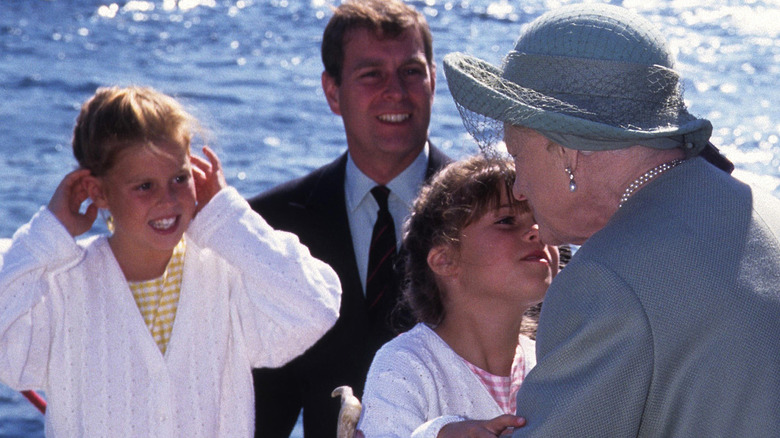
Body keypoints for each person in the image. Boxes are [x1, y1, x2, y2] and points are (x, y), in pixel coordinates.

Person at [442, 3, 780, 436]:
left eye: (517, 156)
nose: (519, 186)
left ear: (567, 151)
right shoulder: (760, 209)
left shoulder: (606, 280)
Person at [0, 86, 341, 437]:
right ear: (98, 192)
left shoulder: (226, 274)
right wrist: (49, 233)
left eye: (180, 178)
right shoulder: (62, 285)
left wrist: (227, 216)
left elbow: (317, 306)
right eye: (145, 186)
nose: (168, 199)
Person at [248, 0, 449, 436]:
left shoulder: (499, 214)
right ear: (332, 92)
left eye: (411, 71)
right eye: (371, 74)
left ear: (433, 81)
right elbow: (261, 410)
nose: (395, 90)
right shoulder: (271, 225)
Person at [356, 156, 560, 438]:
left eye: (541, 219)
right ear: (445, 261)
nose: (536, 232)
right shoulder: (405, 365)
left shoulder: (551, 364)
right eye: (506, 220)